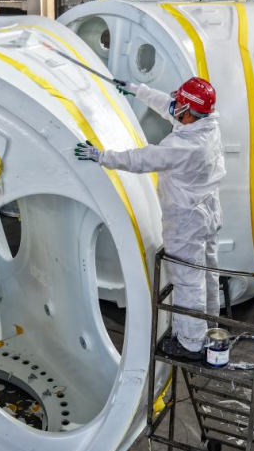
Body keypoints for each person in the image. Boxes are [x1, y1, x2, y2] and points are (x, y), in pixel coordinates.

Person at [74, 78, 226, 360]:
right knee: (207, 272)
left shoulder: (183, 145)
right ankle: (211, 327)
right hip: (208, 211)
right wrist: (138, 90)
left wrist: (101, 156)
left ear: (189, 110)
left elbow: (141, 159)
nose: (175, 105)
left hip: (186, 221)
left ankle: (191, 343)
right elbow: (169, 107)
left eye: (180, 103)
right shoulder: (207, 125)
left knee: (188, 280)